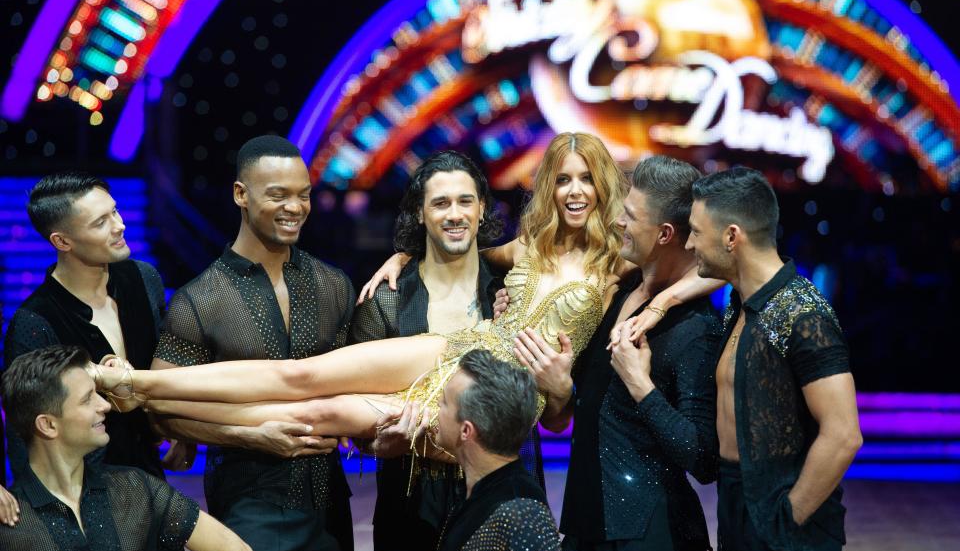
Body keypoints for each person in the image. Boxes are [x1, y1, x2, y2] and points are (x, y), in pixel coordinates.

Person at [91, 132, 628, 444]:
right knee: (303, 378)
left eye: (585, 179)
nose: (574, 191)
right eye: (562, 179)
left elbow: (700, 267)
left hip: (498, 401)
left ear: (603, 185)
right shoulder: (528, 247)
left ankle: (144, 395)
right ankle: (141, 386)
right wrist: (403, 254)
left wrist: (662, 305)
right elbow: (462, 245)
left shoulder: (616, 265)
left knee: (323, 414)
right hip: (469, 348)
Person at [148, 135, 357, 551]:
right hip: (250, 503)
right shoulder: (200, 300)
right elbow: (160, 409)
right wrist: (244, 435)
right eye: (278, 195)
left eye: (304, 195)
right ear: (240, 194)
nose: (295, 208)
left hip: (330, 501)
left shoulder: (333, 284)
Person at [512, 155, 720, 551]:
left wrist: (642, 386)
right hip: (583, 527)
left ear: (663, 233)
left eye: (629, 216)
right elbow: (574, 418)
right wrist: (559, 390)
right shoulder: (619, 294)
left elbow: (704, 459)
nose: (618, 224)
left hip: (650, 538)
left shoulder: (696, 329)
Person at [349, 151, 543, 551]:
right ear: (420, 214)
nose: (455, 214)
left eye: (465, 201)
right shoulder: (385, 302)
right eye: (440, 203)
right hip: (409, 509)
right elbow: (357, 425)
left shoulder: (517, 293)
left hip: (505, 499)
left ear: (482, 207)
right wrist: (382, 443)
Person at [1, 173, 189, 551]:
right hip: (89, 500)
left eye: (115, 211)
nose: (119, 225)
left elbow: (163, 370)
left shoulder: (143, 279)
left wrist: (181, 431)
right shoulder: (35, 323)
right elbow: (25, 433)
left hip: (150, 479)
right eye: (100, 222)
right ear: (62, 242)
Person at [686, 167, 862, 551]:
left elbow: (844, 434)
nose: (688, 244)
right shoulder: (742, 304)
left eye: (696, 232)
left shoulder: (802, 313)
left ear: (731, 236)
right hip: (737, 516)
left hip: (789, 539)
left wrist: (785, 520)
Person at [0, 345, 255, 551]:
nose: (106, 405)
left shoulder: (134, 487)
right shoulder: (10, 524)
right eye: (88, 399)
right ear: (48, 425)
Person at [430, 349, 563, 551]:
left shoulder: (523, 512)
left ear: (466, 431)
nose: (436, 404)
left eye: (444, 402)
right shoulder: (476, 489)